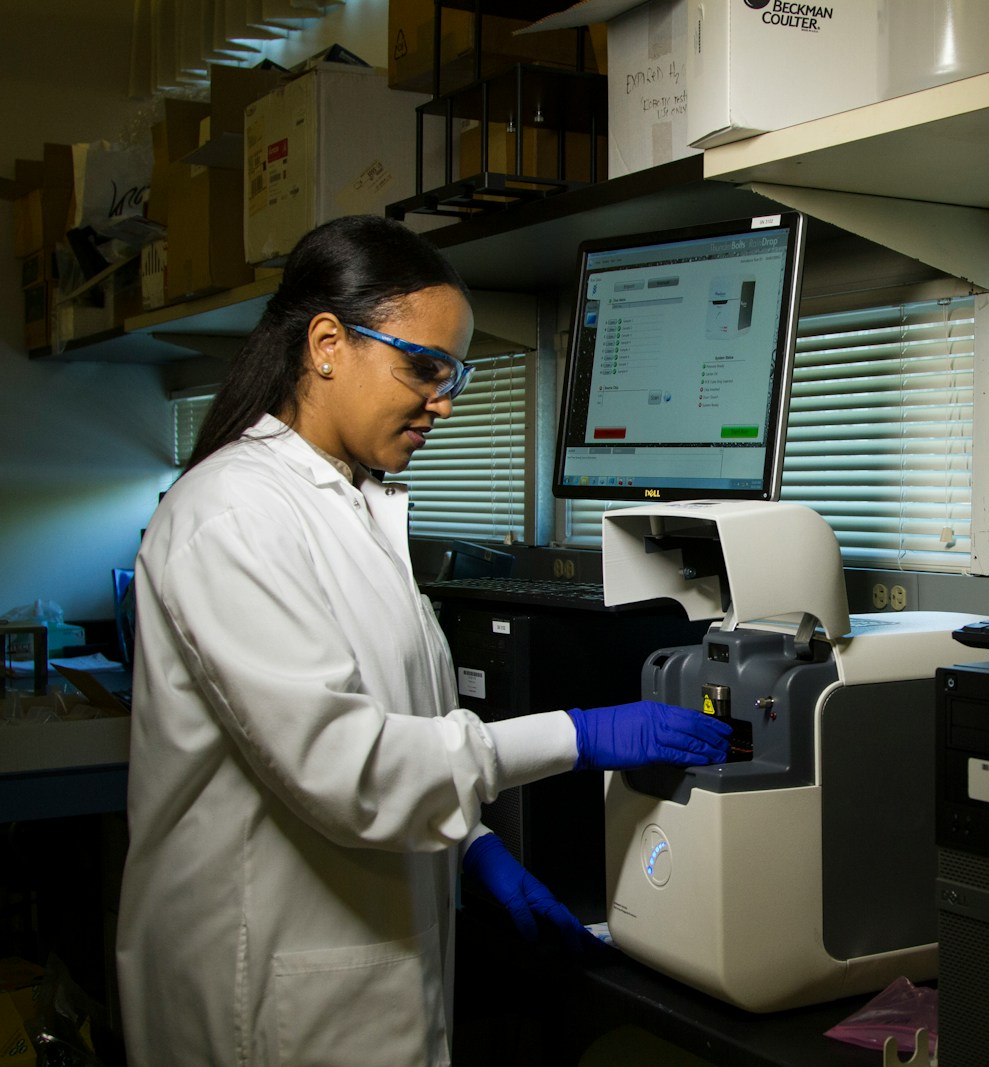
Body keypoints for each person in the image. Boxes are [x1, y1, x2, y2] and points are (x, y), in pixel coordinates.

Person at [115, 214, 731, 1066]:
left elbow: (407, 722)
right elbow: (347, 764)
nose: (443, 399)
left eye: (456, 374)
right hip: (265, 996)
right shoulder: (233, 516)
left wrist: (472, 846)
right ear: (327, 343)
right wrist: (579, 734)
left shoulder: (355, 505)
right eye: (423, 368)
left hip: (361, 978)